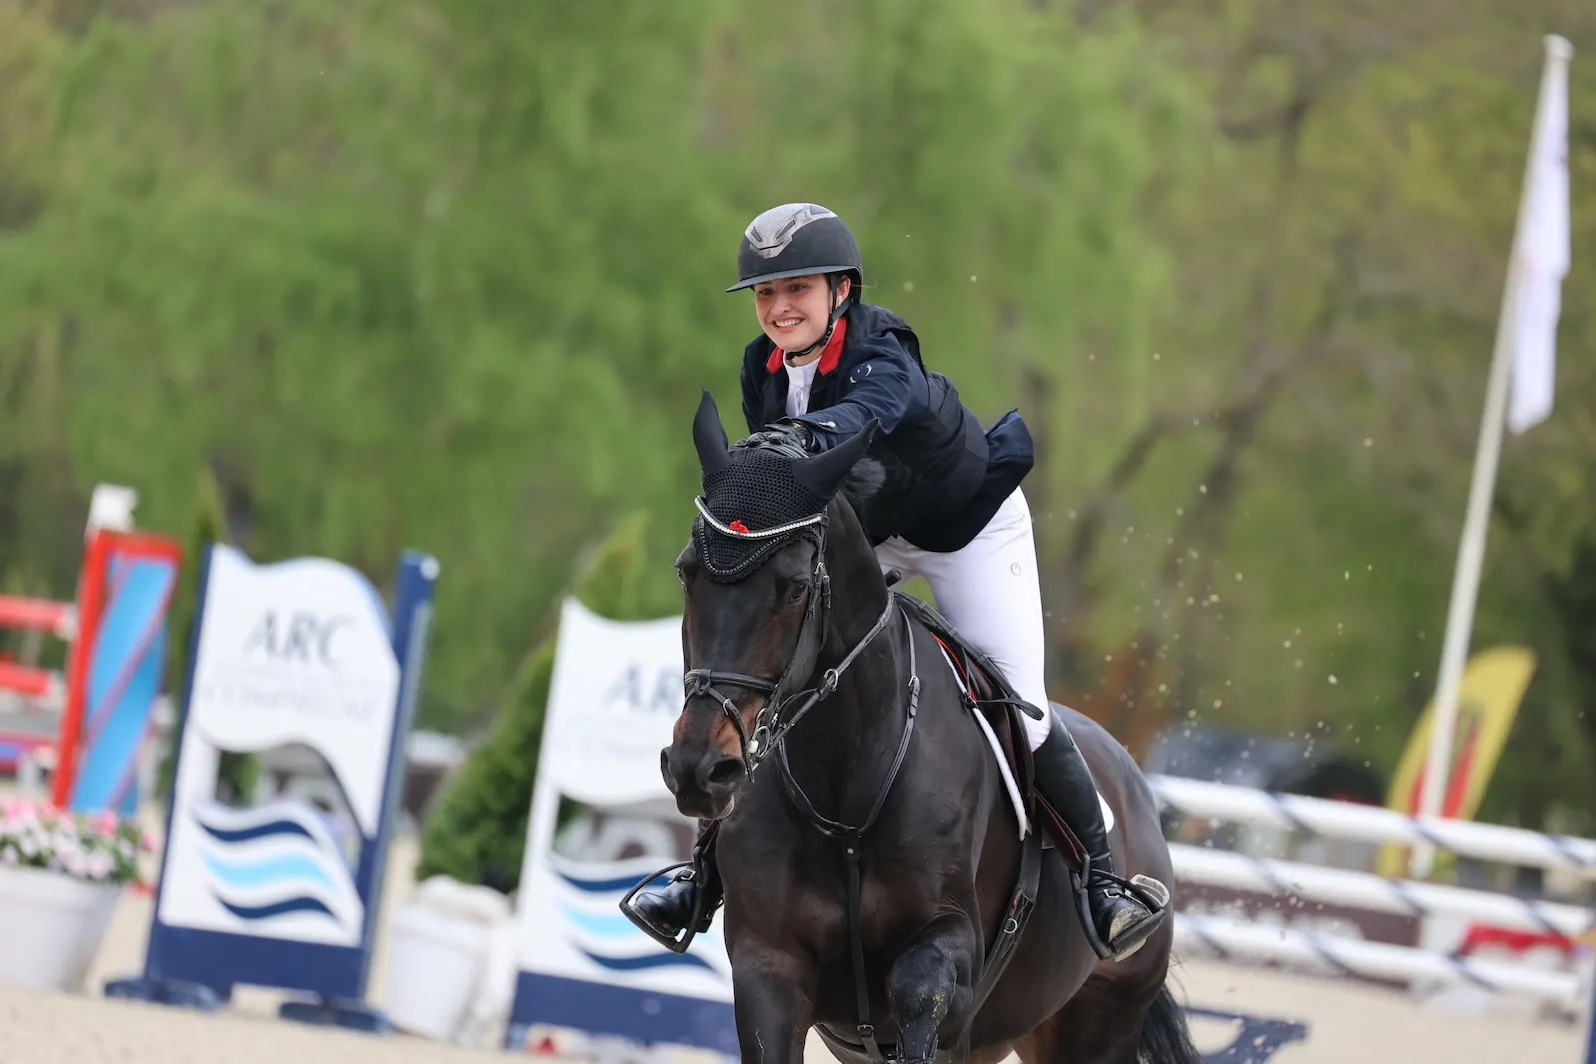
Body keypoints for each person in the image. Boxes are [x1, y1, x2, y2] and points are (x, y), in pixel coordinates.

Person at [626, 203, 1166, 962]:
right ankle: (702, 876)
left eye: (797, 290)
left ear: (841, 291)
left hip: (965, 532)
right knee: (780, 680)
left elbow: (867, 418)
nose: (779, 308)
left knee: (1023, 703)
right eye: (765, 295)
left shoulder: (882, 352)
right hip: (868, 539)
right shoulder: (763, 367)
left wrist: (799, 440)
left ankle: (1104, 887)